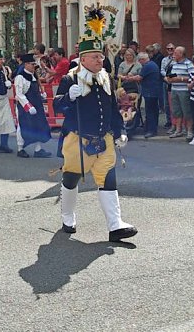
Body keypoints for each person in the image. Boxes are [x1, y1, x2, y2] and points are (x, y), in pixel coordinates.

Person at [54, 39, 136, 242]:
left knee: (108, 179)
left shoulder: (106, 77)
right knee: (71, 179)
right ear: (83, 59)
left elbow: (112, 109)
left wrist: (120, 131)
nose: (100, 59)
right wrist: (68, 98)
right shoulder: (70, 79)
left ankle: (115, 225)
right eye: (95, 56)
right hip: (77, 139)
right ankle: (67, 216)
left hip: (104, 139)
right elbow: (57, 106)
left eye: (101, 56)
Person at [13, 54, 52, 159]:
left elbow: (36, 88)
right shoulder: (20, 77)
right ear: (26, 64)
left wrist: (41, 94)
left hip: (37, 104)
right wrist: (28, 106)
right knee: (22, 126)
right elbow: (19, 94)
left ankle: (38, 149)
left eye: (34, 64)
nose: (33, 66)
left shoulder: (34, 76)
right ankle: (20, 149)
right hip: (24, 107)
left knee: (39, 125)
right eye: (32, 64)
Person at [166, 47, 194, 139]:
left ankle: (190, 131)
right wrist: (169, 79)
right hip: (174, 89)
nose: (173, 54)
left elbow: (193, 77)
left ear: (181, 54)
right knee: (176, 111)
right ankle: (178, 130)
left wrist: (180, 79)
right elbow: (168, 75)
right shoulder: (173, 63)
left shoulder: (188, 64)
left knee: (187, 111)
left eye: (175, 52)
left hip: (184, 91)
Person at [136, 52, 161, 138]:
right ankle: (153, 128)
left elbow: (139, 77)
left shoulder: (147, 66)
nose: (140, 63)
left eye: (140, 61)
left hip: (149, 92)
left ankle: (151, 130)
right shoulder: (153, 64)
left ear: (142, 60)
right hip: (154, 91)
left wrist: (128, 78)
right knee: (154, 110)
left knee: (150, 111)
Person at [117, 48, 142, 132]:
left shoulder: (138, 65)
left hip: (134, 86)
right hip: (124, 86)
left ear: (133, 55)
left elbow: (140, 76)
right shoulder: (122, 64)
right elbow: (118, 75)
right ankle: (122, 120)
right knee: (121, 102)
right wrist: (124, 77)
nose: (128, 57)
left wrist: (132, 77)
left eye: (130, 55)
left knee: (132, 103)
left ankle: (132, 120)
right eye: (127, 55)